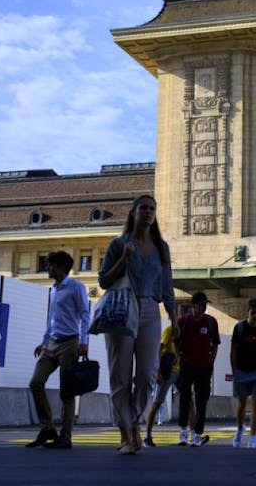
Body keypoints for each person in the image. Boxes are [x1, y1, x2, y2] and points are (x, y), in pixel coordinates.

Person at [99, 195, 179, 455]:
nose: (148, 212)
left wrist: (173, 317)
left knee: (146, 374)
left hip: (150, 310)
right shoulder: (118, 244)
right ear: (133, 213)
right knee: (120, 377)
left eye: (152, 208)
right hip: (123, 309)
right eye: (143, 208)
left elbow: (167, 285)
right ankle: (126, 434)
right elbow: (103, 281)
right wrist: (124, 259)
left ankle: (133, 421)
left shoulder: (161, 247)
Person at [27, 251, 90, 450]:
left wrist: (84, 342)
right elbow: (52, 318)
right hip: (51, 343)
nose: (48, 268)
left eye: (51, 265)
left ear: (61, 267)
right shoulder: (53, 289)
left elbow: (85, 315)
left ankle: (65, 437)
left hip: (70, 343)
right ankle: (47, 428)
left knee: (67, 391)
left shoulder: (76, 287)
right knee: (36, 382)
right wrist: (44, 342)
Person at [177, 292, 220, 447]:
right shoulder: (183, 321)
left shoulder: (211, 322)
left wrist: (211, 362)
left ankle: (196, 434)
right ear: (194, 305)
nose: (204, 307)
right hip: (187, 365)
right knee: (185, 397)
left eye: (205, 305)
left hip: (204, 366)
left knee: (202, 400)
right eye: (201, 304)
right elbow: (176, 341)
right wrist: (180, 359)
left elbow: (215, 344)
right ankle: (183, 431)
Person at [145, 301, 190, 447]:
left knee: (190, 401)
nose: (190, 317)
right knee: (158, 401)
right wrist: (158, 372)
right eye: (188, 314)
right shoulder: (170, 329)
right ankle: (148, 435)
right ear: (181, 314)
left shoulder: (188, 331)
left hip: (181, 371)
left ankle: (189, 433)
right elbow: (159, 350)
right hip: (168, 371)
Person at [230, 298, 256, 449]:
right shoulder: (239, 328)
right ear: (247, 312)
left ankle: (253, 437)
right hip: (241, 370)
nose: (255, 316)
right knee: (242, 404)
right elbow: (233, 350)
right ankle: (239, 429)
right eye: (253, 313)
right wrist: (234, 370)